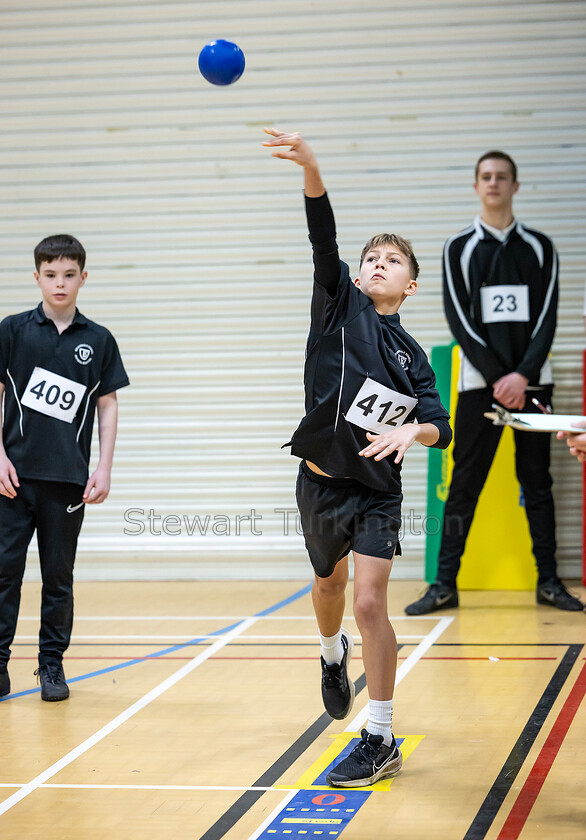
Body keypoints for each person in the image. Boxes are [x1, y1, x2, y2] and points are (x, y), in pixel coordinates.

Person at [263, 128, 452, 786]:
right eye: (371, 256)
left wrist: (415, 436)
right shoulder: (337, 306)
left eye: (392, 260)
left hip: (376, 492)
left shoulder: (412, 358)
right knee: (329, 589)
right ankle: (327, 651)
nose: (377, 263)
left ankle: (379, 735)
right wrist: (311, 169)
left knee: (371, 603)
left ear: (412, 285)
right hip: (319, 484)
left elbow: (439, 425)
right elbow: (323, 236)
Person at [406, 151, 583, 615]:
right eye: (486, 177)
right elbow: (460, 320)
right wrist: (498, 377)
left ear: (515, 186)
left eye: (502, 177)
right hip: (478, 388)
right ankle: (444, 585)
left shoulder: (540, 247)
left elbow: (547, 317)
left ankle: (549, 582)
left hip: (533, 384)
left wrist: (522, 375)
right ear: (476, 186)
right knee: (464, 482)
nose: (494, 184)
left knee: (537, 483)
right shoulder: (459, 247)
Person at [0, 234, 129, 701]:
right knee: (4, 573)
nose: (60, 283)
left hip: (68, 483)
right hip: (12, 481)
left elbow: (108, 405)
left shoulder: (98, 340)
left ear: (82, 278)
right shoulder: (12, 330)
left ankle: (51, 667)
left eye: (69, 274)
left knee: (58, 576)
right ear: (36, 277)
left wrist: (104, 468)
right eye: (50, 274)